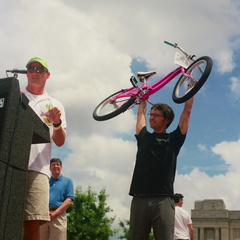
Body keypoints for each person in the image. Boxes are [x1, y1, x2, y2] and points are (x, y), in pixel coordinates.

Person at [129, 96, 194, 240]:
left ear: (166, 120)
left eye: (156, 115)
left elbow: (187, 112)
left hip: (163, 199)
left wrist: (191, 90)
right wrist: (143, 97)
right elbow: (140, 114)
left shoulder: (174, 139)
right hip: (139, 197)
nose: (151, 118)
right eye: (151, 115)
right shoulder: (143, 136)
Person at [23, 56, 67, 240]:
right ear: (26, 73)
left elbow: (60, 141)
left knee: (33, 224)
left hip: (37, 170)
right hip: (8, 165)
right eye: (31, 69)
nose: (35, 72)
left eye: (40, 70)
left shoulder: (55, 104)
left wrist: (56, 124)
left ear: (48, 75)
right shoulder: (15, 95)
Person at [40, 158, 74, 240]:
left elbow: (69, 200)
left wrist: (55, 213)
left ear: (61, 167)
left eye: (58, 164)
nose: (56, 166)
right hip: (43, 215)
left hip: (58, 215)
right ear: (49, 168)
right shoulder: (45, 180)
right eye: (53, 164)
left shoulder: (68, 181)